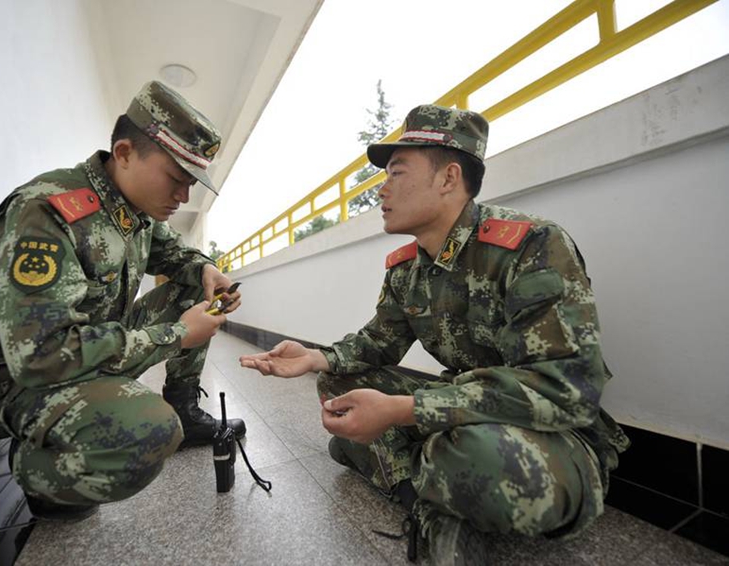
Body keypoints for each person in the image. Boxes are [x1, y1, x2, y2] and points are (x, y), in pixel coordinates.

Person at [240, 105, 630, 565]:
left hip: (548, 432)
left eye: (396, 173)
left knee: (475, 454)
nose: (381, 190)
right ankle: (429, 501)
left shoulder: (534, 246)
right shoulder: (407, 268)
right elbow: (377, 343)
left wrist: (407, 412)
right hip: (460, 405)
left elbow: (566, 390)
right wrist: (315, 359)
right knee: (339, 388)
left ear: (447, 179)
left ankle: (399, 470)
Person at [0, 81, 246, 520]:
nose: (184, 196)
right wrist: (178, 335)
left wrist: (206, 268)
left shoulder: (136, 212)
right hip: (21, 382)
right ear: (125, 152)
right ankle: (36, 470)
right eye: (176, 179)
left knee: (196, 287)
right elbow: (40, 358)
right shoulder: (47, 212)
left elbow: (177, 255)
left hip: (84, 354)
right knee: (148, 430)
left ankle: (185, 408)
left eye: (192, 183)